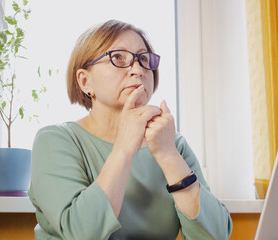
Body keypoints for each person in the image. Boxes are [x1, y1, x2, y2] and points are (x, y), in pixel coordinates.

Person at [28, 20, 232, 240]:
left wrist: (168, 155)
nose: (138, 70)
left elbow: (216, 235)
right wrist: (125, 146)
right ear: (85, 81)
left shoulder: (173, 144)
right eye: (118, 58)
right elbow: (82, 233)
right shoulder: (56, 140)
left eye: (144, 59)